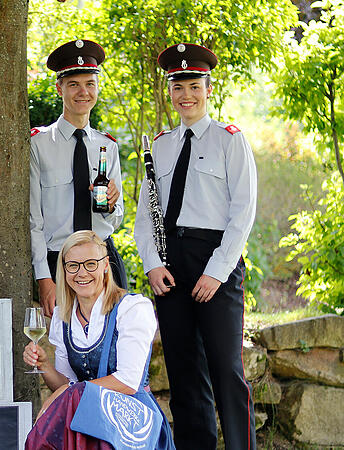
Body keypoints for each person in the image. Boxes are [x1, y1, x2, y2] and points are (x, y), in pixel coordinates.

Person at [133, 43, 257, 449]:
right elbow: (143, 214)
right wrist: (152, 264)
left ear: (207, 87)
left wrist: (216, 272)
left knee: (226, 370)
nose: (185, 95)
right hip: (171, 264)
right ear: (170, 91)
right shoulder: (162, 143)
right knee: (184, 373)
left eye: (193, 86)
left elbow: (243, 212)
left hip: (214, 260)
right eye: (177, 87)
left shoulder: (230, 140)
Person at [23, 231, 173, 449]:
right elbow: (66, 385)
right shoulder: (62, 316)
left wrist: (70, 392)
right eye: (73, 265)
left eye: (90, 264)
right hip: (85, 421)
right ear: (64, 270)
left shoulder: (131, 308)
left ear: (105, 266)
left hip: (129, 422)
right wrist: (44, 366)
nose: (81, 273)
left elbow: (128, 382)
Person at [30, 39, 126, 318]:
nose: (83, 92)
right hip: (59, 262)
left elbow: (116, 218)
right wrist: (44, 278)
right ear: (60, 88)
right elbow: (34, 221)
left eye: (90, 84)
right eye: (74, 84)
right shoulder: (39, 144)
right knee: (62, 348)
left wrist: (109, 205)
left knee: (110, 345)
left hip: (102, 260)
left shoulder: (108, 146)